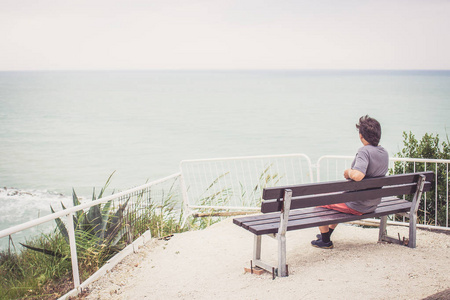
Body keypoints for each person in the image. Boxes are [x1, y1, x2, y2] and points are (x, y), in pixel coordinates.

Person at [311, 115, 389, 249]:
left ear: (361, 136)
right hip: (373, 204)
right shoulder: (384, 153)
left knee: (319, 203)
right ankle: (327, 234)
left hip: (357, 205)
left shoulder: (364, 151)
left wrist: (348, 172)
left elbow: (358, 175)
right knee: (338, 199)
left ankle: (325, 241)